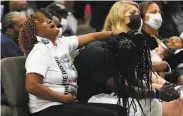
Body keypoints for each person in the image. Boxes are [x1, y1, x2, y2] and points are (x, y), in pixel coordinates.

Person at [74, 1, 179, 116]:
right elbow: (118, 86)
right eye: (133, 13)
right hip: (93, 96)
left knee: (153, 103)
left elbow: (131, 78)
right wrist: (155, 92)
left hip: (113, 93)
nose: (138, 17)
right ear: (119, 16)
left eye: (139, 13)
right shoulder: (100, 48)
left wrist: (163, 88)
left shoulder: (131, 44)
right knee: (134, 109)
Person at [18, 12, 129, 116]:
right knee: (110, 115)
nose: (49, 21)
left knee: (120, 110)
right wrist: (62, 98)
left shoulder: (61, 43)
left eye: (47, 19)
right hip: (47, 108)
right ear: (36, 34)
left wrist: (115, 33)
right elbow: (31, 86)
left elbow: (93, 36)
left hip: (66, 104)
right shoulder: (39, 51)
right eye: (42, 22)